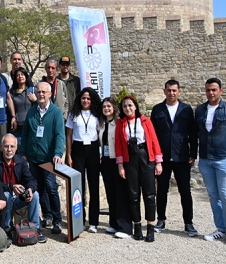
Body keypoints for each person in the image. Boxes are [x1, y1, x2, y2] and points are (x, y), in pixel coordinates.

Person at [195, 78, 226, 246]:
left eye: (214, 89)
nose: (211, 92)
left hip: (224, 159)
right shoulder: (200, 110)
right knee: (213, 195)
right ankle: (220, 229)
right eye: (208, 90)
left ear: (221, 91)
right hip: (206, 159)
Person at [150, 80, 199, 237]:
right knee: (162, 190)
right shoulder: (157, 109)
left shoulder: (186, 109)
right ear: (164, 91)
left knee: (185, 191)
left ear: (179, 92)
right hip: (163, 157)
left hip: (182, 156)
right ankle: (161, 220)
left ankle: (188, 223)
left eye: (174, 90)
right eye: (169, 90)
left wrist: (193, 154)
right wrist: (154, 156)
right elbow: (153, 135)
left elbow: (193, 133)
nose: (171, 93)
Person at [18, 81, 65, 234]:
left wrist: (58, 153)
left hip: (48, 159)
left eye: (44, 92)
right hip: (33, 158)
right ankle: (48, 216)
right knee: (39, 189)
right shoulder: (32, 112)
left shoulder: (56, 112)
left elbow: (60, 135)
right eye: (39, 92)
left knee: (51, 188)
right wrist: (23, 152)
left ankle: (57, 220)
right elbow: (25, 134)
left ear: (50, 94)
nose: (41, 94)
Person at [115, 96, 163, 242]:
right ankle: (137, 226)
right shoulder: (120, 123)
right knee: (133, 195)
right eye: (124, 106)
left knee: (149, 194)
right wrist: (120, 165)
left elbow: (154, 140)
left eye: (130, 105)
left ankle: (150, 228)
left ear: (135, 106)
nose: (128, 108)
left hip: (146, 158)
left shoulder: (145, 121)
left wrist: (158, 162)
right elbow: (118, 145)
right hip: (130, 159)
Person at [0, 134, 47, 243]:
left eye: (12, 146)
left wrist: (30, 189)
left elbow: (31, 180)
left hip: (18, 198)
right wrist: (10, 187)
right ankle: (6, 229)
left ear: (16, 148)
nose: (9, 150)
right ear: (1, 147)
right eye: (6, 146)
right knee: (6, 194)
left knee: (34, 194)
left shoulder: (20, 161)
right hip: (2, 198)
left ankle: (35, 228)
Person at [65, 87, 102, 233]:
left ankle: (93, 221)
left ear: (92, 100)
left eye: (88, 98)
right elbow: (68, 136)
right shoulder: (73, 114)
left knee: (94, 186)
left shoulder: (96, 115)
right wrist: (68, 155)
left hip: (93, 149)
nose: (85, 101)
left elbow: (100, 134)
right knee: (78, 187)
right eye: (83, 98)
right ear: (79, 99)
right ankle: (79, 219)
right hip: (78, 149)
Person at [99, 97, 133, 238]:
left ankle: (125, 227)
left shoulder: (119, 123)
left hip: (117, 160)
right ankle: (114, 224)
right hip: (106, 161)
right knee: (110, 193)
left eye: (109, 106)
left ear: (114, 108)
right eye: (104, 106)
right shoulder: (101, 124)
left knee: (120, 194)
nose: (106, 109)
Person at [9, 67, 36, 147]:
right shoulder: (11, 92)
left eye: (22, 74)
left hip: (30, 126)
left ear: (26, 77)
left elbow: (42, 106)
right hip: (17, 127)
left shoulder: (32, 90)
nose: (20, 76)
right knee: (19, 150)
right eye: (18, 75)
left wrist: (35, 100)